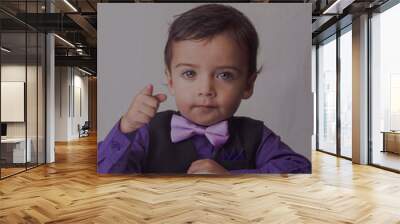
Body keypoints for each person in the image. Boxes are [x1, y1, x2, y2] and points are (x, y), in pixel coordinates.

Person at [97, 4, 311, 174]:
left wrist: (232, 179)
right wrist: (126, 127)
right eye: (190, 73)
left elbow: (299, 170)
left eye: (224, 75)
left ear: (248, 85)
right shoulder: (146, 131)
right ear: (171, 81)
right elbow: (105, 174)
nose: (205, 89)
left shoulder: (256, 135)